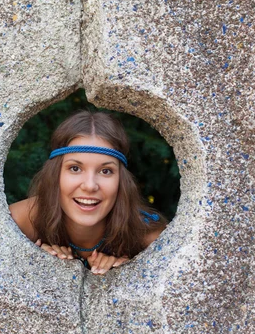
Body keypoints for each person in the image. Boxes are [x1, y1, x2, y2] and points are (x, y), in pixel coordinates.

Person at [9, 110, 166, 275]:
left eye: (105, 171)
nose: (90, 186)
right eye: (75, 168)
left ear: (121, 180)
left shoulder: (147, 235)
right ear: (55, 175)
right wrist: (30, 259)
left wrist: (130, 272)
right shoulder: (21, 221)